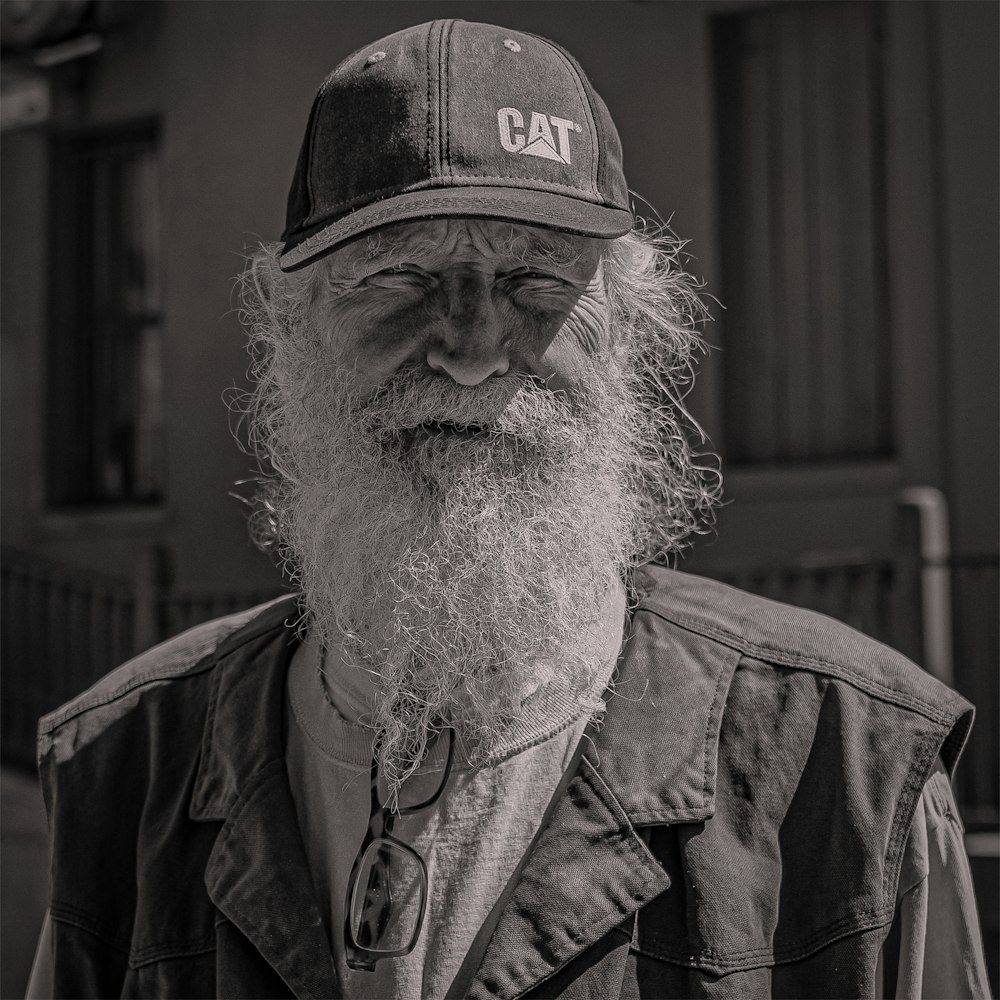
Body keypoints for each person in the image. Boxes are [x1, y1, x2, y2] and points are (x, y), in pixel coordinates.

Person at [28, 19, 990, 1000]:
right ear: (289, 327)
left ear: (622, 334)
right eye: (398, 278)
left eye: (537, 281)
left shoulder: (845, 767)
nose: (474, 347)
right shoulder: (128, 766)